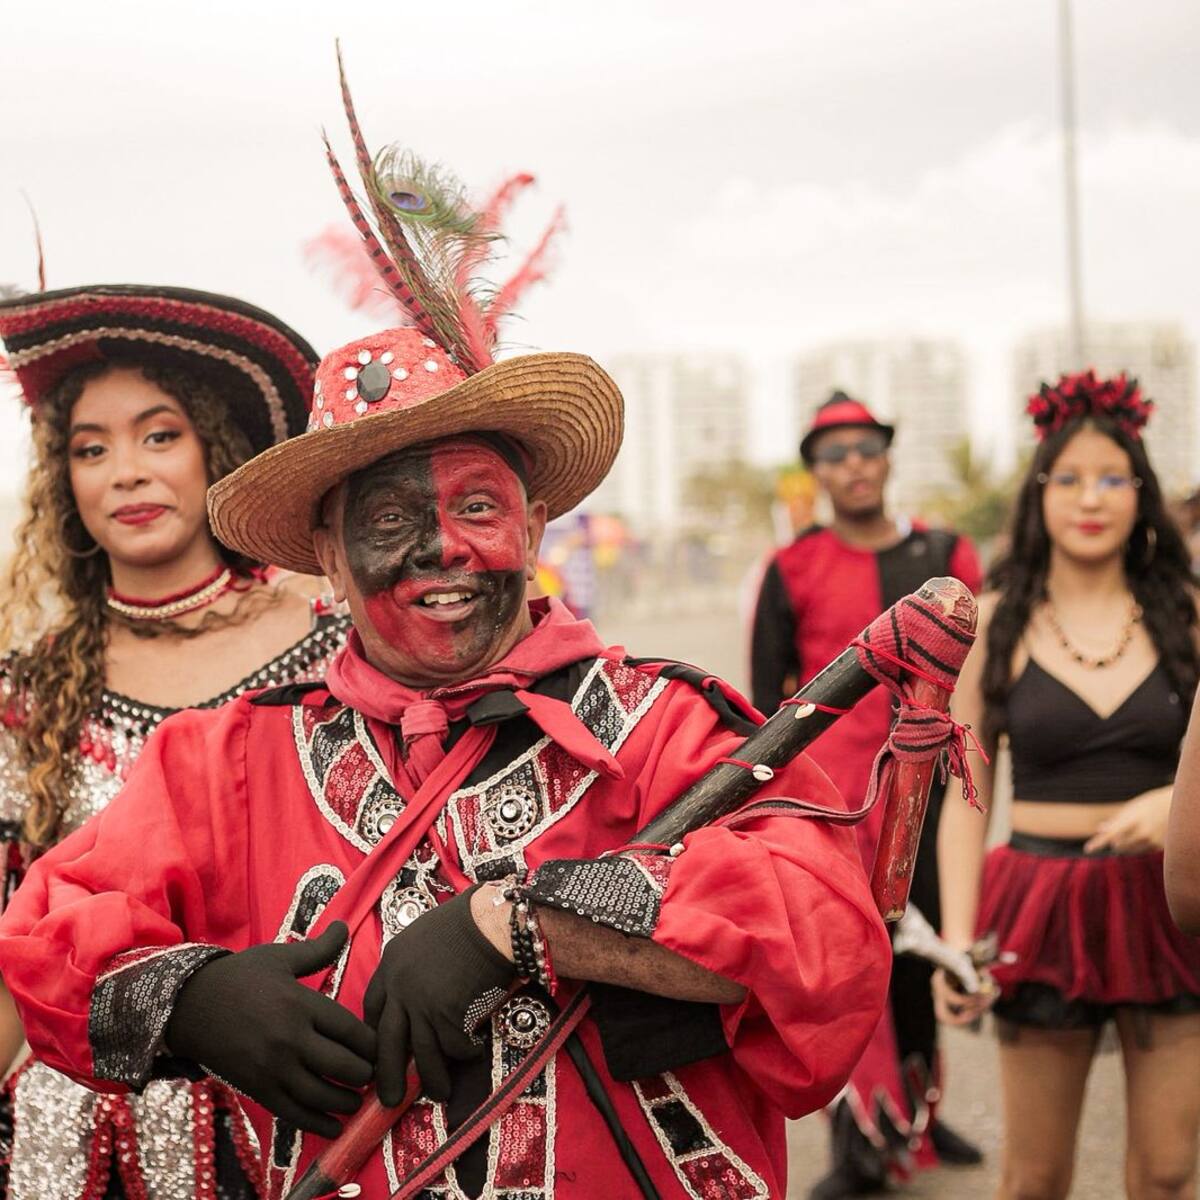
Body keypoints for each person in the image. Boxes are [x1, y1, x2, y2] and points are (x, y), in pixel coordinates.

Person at [0, 91, 893, 1200]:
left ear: (532, 522)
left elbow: (824, 936)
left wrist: (521, 923)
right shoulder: (223, 761)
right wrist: (189, 999)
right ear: (325, 553)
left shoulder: (672, 728)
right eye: (386, 521)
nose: (443, 551)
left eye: (477, 505)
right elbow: (48, 928)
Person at [0, 284, 351, 1200]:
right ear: (64, 482)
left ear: (215, 452)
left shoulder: (336, 653)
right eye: (91, 448)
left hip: (305, 1116)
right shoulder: (26, 697)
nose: (125, 471)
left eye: (160, 436)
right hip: (55, 1149)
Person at [936, 371, 1200, 1200]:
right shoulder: (991, 621)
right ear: (1040, 493)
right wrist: (957, 939)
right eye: (1071, 477)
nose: (1092, 498)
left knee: (1166, 1172)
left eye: (1114, 477)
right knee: (1035, 1179)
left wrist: (1176, 804)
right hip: (1041, 907)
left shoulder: (1189, 613)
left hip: (1170, 904)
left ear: (1141, 493)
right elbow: (965, 797)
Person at [750, 391, 983, 1197]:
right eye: (833, 454)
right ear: (815, 473)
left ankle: (920, 1117)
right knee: (842, 972)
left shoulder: (948, 551)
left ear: (886, 456)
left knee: (919, 968)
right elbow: (760, 702)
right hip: (833, 805)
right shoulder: (791, 567)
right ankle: (856, 1142)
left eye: (864, 449)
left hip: (927, 801)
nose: (852, 465)